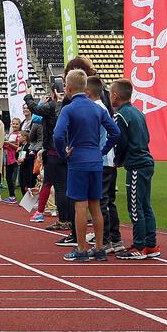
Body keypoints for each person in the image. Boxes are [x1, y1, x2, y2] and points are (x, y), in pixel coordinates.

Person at [55, 69, 120, 262]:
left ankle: (82, 249)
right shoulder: (98, 109)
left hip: (78, 160)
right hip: (95, 160)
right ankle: (99, 248)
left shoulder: (69, 109)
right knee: (96, 206)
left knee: (80, 206)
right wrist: (102, 151)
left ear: (67, 88)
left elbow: (58, 135)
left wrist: (63, 153)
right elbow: (115, 132)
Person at [110, 79, 161, 260]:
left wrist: (118, 159)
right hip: (146, 161)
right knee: (146, 205)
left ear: (115, 95)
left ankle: (139, 245)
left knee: (135, 207)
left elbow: (120, 141)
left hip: (136, 165)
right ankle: (151, 244)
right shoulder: (139, 113)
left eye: (110, 94)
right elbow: (146, 137)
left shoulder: (121, 115)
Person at [86, 76, 126, 255]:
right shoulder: (102, 108)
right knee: (109, 201)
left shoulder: (95, 109)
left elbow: (113, 134)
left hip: (101, 162)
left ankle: (107, 240)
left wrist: (101, 151)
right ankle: (115, 238)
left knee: (100, 201)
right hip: (108, 161)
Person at [24, 84, 70, 236]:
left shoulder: (54, 106)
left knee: (60, 187)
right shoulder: (70, 106)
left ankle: (65, 219)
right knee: (51, 182)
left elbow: (36, 111)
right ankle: (47, 212)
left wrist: (29, 96)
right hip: (64, 150)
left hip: (54, 151)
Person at [19, 104, 43, 196]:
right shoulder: (23, 122)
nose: (25, 110)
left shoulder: (37, 122)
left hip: (34, 151)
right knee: (24, 175)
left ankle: (34, 197)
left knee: (33, 175)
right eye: (24, 108)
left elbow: (38, 138)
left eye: (27, 108)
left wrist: (35, 149)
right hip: (25, 150)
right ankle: (27, 196)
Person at [3, 118, 22, 204]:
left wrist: (8, 144)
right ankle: (11, 196)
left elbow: (18, 146)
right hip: (8, 158)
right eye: (13, 124)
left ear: (19, 125)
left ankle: (13, 197)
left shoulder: (19, 135)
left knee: (12, 178)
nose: (14, 125)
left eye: (16, 124)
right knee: (8, 177)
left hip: (15, 158)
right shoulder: (11, 134)